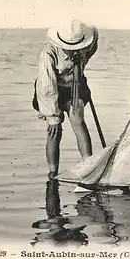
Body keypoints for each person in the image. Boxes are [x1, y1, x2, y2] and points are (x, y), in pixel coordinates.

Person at [32, 20, 99, 180]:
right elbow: (47, 85)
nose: (72, 51)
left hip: (75, 86)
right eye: (68, 47)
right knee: (54, 130)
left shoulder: (84, 45)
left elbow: (94, 37)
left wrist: (87, 30)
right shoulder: (48, 54)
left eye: (75, 46)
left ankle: (88, 165)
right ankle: (53, 171)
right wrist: (52, 115)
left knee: (78, 121)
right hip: (52, 88)